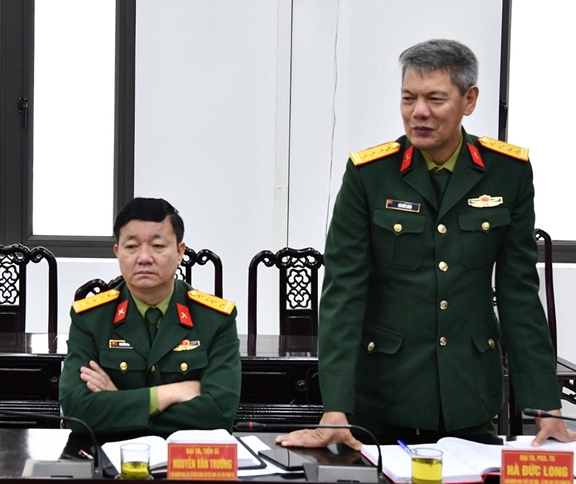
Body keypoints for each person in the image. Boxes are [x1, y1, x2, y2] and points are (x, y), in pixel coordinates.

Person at [277, 39, 575, 448]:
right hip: (382, 398)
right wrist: (336, 406)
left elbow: (519, 292)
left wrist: (545, 407)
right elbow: (343, 294)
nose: (419, 112)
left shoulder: (507, 172)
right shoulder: (370, 175)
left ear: (469, 100)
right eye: (408, 98)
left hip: (468, 397)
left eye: (435, 99)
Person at [59, 197, 241, 436]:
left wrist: (118, 403)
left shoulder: (215, 319)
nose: (144, 257)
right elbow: (77, 412)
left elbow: (219, 414)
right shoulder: (91, 318)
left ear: (179, 252)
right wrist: (170, 393)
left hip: (186, 457)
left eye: (157, 246)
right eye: (131, 247)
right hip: (109, 457)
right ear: (117, 252)